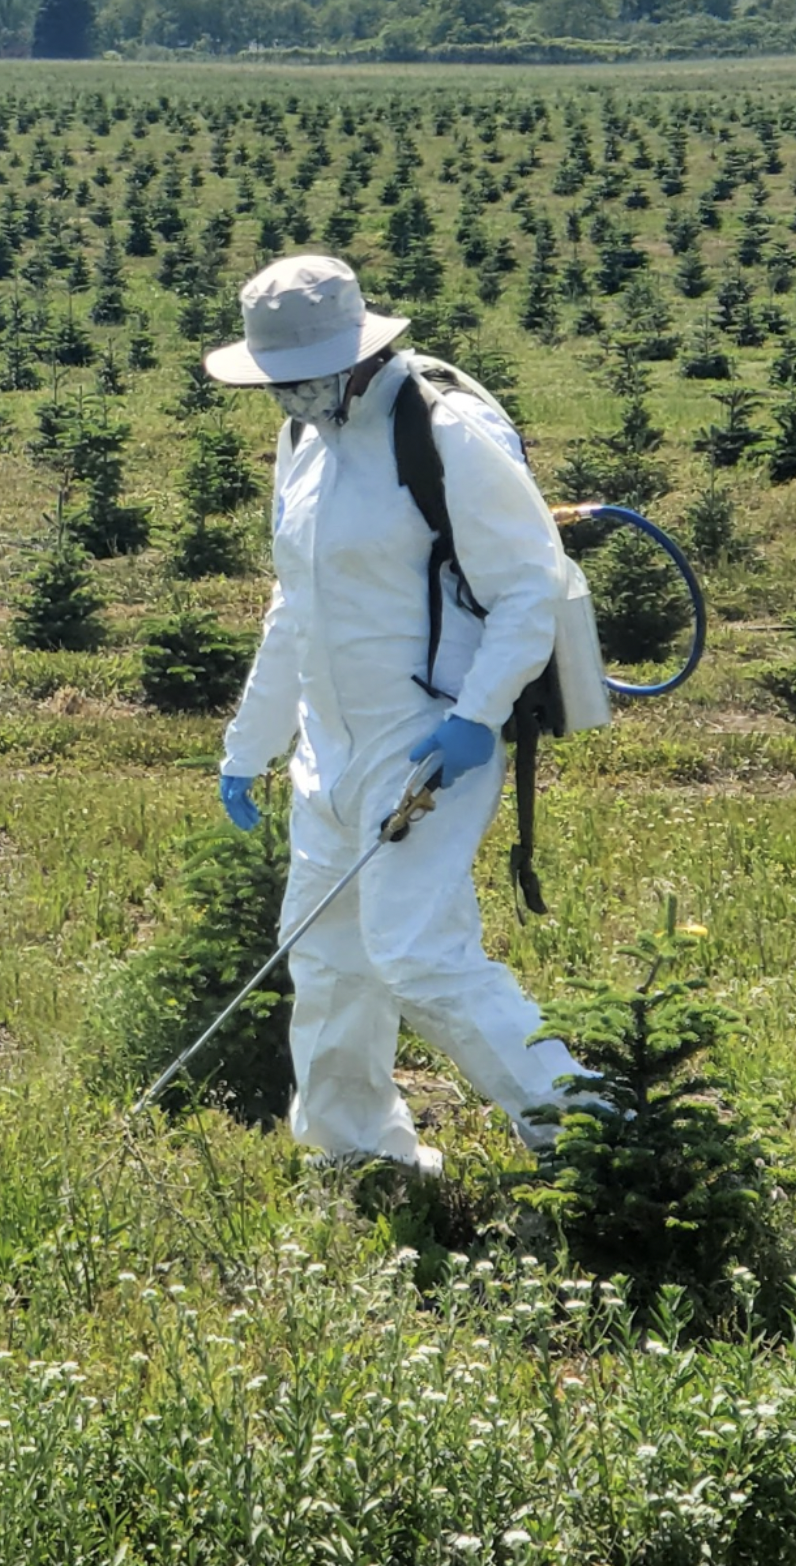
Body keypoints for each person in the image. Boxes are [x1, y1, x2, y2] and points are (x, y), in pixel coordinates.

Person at [204, 254, 603, 1173]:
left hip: (426, 735)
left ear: (356, 354)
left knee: (418, 952)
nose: (289, 397)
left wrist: (477, 714)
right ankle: (353, 1155)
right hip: (328, 748)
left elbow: (528, 589)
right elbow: (292, 604)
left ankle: (589, 1140)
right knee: (330, 958)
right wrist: (252, 744)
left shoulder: (444, 431)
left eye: (303, 375)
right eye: (276, 381)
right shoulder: (303, 444)